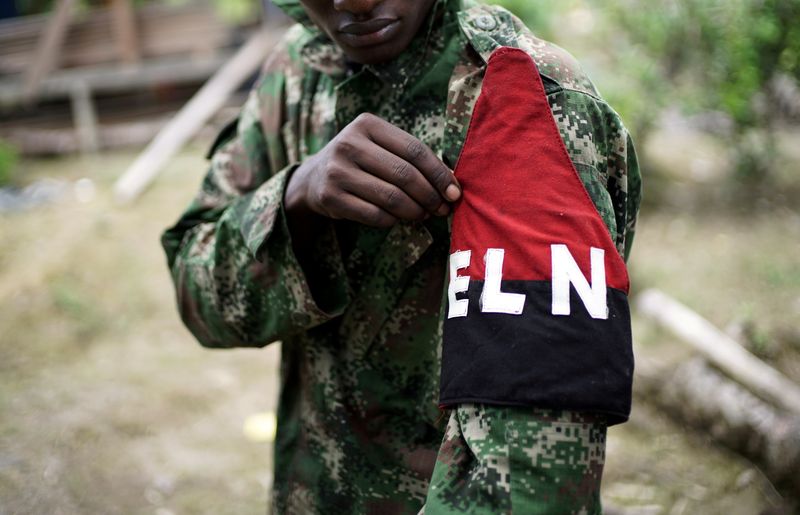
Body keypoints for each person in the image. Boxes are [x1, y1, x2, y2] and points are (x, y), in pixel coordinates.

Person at [161, 0, 641, 513]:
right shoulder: (299, 68)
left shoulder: (521, 94)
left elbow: (532, 478)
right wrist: (296, 197)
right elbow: (201, 301)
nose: (357, 1)